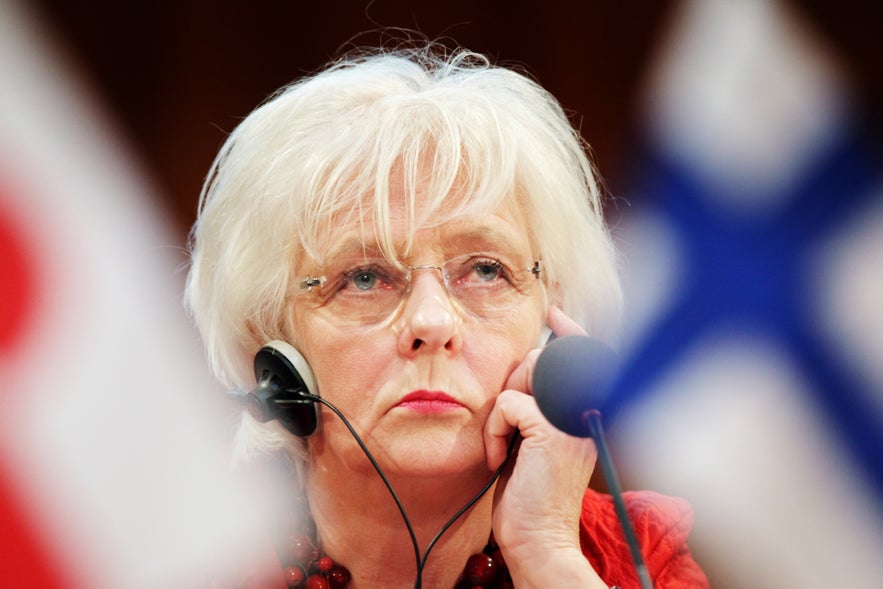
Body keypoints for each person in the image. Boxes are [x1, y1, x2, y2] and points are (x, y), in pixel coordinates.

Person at [186, 42, 709, 589]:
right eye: (364, 277)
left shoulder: (638, 555)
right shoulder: (183, 557)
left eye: (485, 270)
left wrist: (547, 555)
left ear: (551, 326)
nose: (431, 323)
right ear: (270, 344)